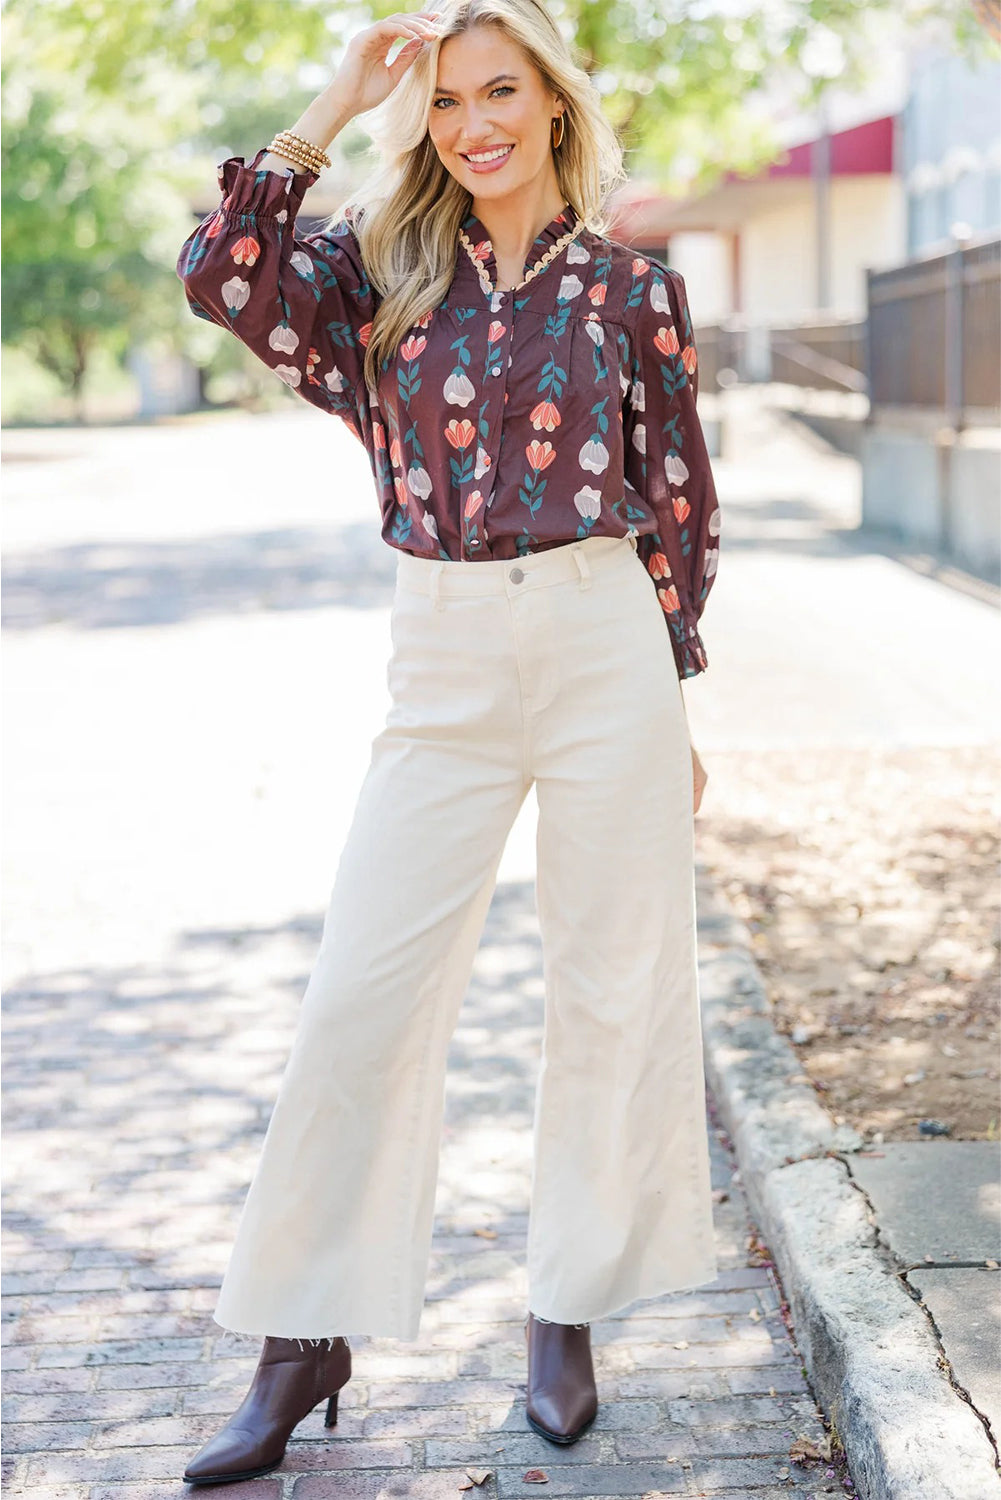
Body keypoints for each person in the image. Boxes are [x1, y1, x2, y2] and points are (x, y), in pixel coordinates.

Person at [175, 0, 721, 1484]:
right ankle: (303, 1335)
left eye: (503, 92)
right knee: (363, 988)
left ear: (552, 106)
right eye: (449, 102)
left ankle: (567, 1305)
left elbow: (676, 502)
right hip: (446, 652)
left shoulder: (631, 287)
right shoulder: (378, 276)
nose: (475, 123)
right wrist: (338, 99)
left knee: (612, 981)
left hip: (606, 637)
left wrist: (674, 693)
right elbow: (223, 275)